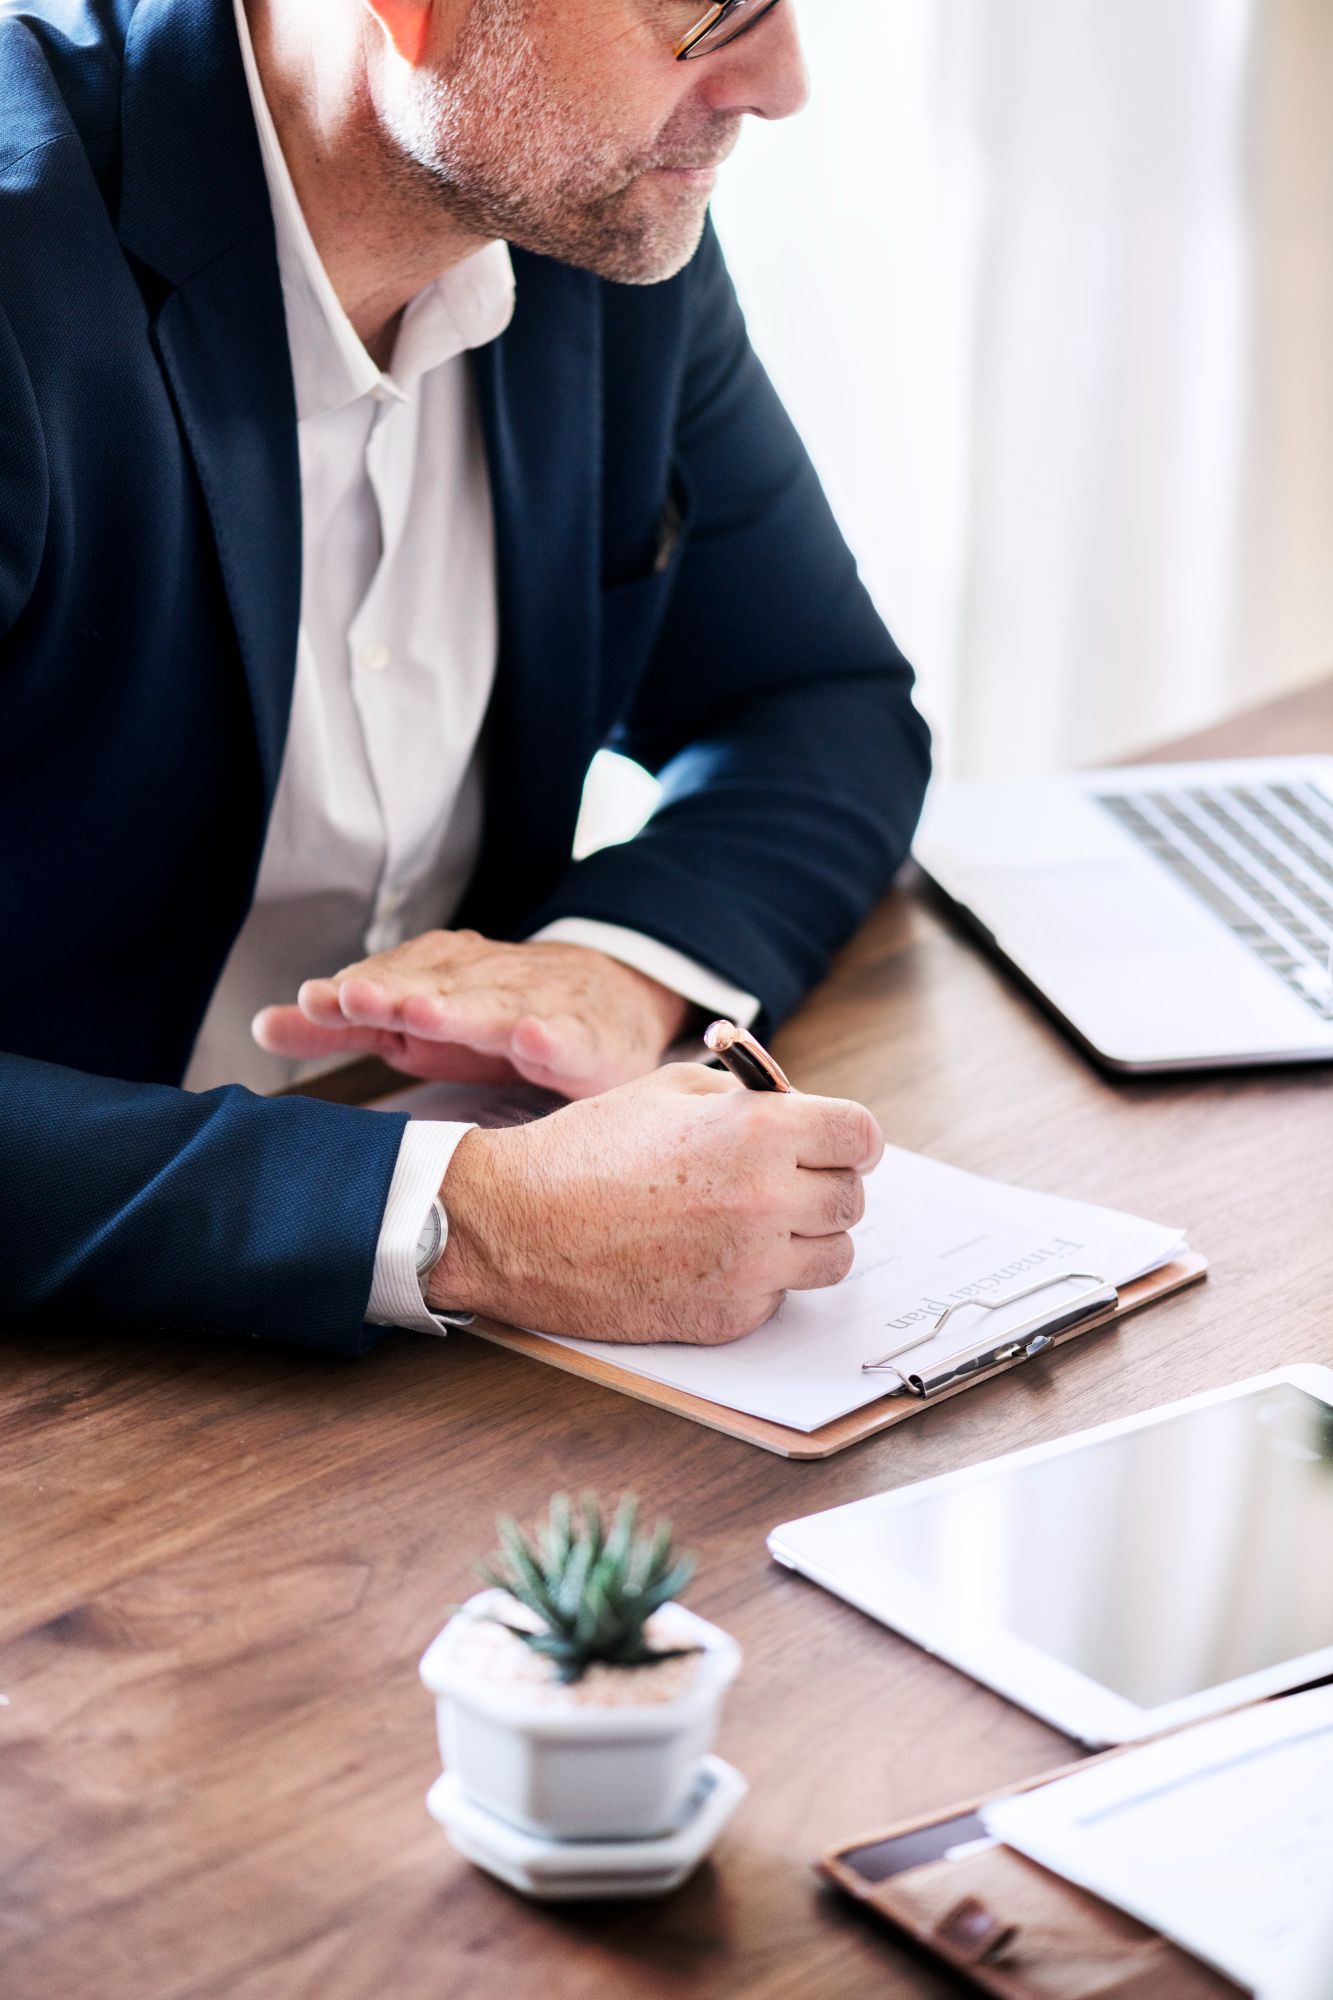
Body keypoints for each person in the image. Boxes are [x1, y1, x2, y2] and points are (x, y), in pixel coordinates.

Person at [0, 0, 930, 1356]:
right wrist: (466, 1218)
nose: (779, 83)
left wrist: (614, 970)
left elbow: (813, 698)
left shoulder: (585, 221)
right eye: (708, 9)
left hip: (449, 1362)